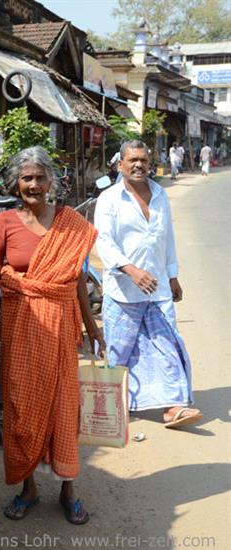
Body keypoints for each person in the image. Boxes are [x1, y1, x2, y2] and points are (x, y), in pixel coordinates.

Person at [0, 146, 105, 524]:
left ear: (52, 181)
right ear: (16, 183)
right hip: (19, 328)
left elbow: (78, 281)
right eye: (26, 178)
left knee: (64, 408)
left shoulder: (69, 224)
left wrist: (93, 327)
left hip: (60, 330)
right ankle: (29, 488)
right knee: (21, 409)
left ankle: (68, 489)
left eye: (40, 177)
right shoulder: (3, 222)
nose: (33, 184)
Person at [94, 139, 203, 429]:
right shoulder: (109, 199)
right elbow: (104, 242)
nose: (139, 165)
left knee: (168, 344)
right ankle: (108, 407)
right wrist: (131, 270)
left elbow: (166, 238)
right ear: (121, 164)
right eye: (133, 160)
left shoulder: (159, 194)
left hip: (158, 290)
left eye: (143, 160)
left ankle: (173, 407)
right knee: (119, 351)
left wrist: (172, 275)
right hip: (122, 291)